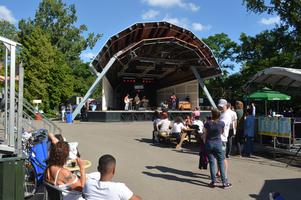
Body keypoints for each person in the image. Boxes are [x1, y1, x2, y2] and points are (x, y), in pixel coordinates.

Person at [204, 109, 231, 188]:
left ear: (212, 115)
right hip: (218, 144)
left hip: (209, 144)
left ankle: (213, 182)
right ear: (219, 115)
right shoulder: (222, 123)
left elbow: (205, 134)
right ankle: (224, 183)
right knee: (221, 162)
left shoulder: (207, 123)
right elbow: (222, 132)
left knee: (212, 163)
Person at [218, 99, 232, 177]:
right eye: (219, 106)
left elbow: (221, 126)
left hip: (222, 138)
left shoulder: (226, 115)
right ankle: (219, 172)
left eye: (222, 107)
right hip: (219, 138)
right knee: (219, 157)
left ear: (226, 106)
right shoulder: (222, 113)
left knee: (222, 158)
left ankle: (224, 175)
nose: (220, 108)